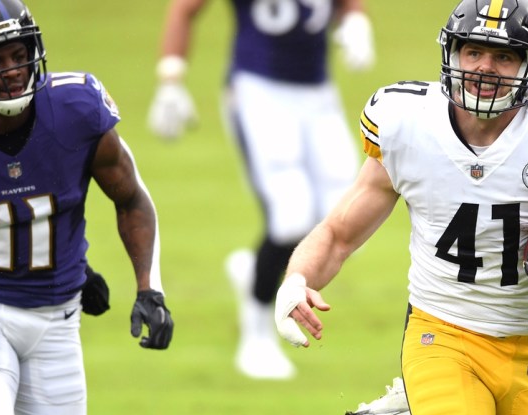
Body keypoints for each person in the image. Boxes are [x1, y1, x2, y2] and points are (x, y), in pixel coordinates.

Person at [274, 0, 528, 415]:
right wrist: (297, 280)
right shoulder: (407, 124)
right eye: (473, 52)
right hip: (443, 332)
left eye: (504, 56)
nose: (485, 67)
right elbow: (338, 233)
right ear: (452, 54)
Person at [0, 0, 175, 415]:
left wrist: (149, 288)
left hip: (58, 320)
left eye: (19, 54)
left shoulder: (75, 108)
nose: (12, 70)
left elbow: (132, 199)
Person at [147, 0, 375, 380]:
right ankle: (255, 337)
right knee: (290, 217)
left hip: (318, 93)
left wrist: (355, 20)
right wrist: (171, 79)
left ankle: (258, 270)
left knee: (353, 217)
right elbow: (184, 9)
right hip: (259, 89)